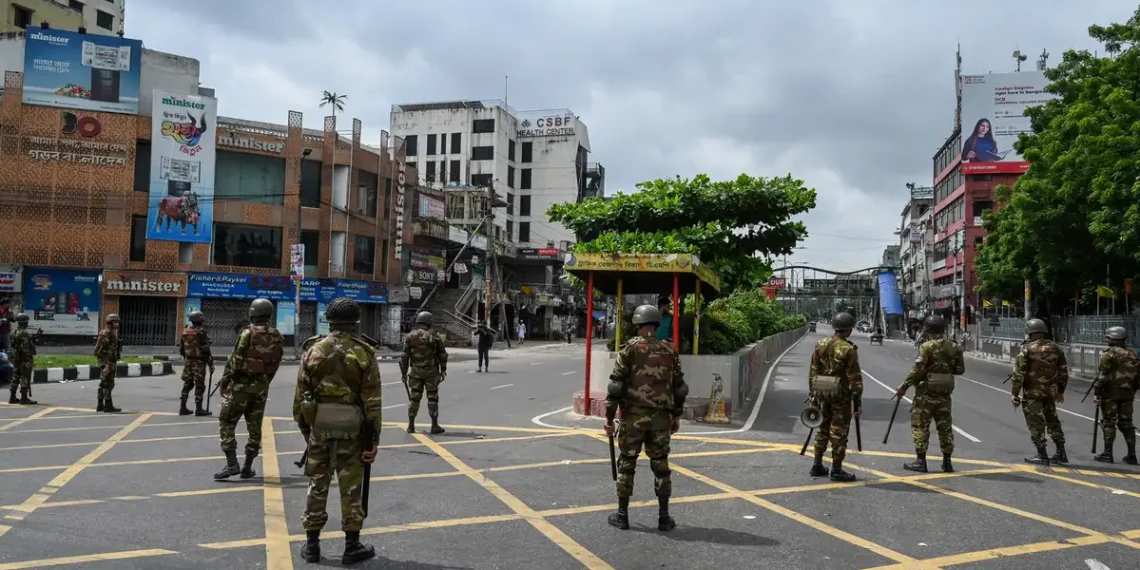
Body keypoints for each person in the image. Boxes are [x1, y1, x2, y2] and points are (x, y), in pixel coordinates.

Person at [294, 297, 382, 565]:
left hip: (319, 428)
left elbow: (300, 401)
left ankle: (312, 547)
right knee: (351, 487)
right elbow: (372, 404)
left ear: (328, 320)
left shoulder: (312, 350)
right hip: (352, 431)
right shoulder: (364, 353)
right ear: (356, 322)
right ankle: (351, 546)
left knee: (317, 485)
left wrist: (308, 432)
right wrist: (372, 442)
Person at [604, 305, 688, 532]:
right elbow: (680, 389)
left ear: (638, 324)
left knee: (627, 464)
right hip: (661, 419)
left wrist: (610, 420)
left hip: (633, 418)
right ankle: (664, 517)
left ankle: (622, 515)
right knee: (661, 465)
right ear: (657, 324)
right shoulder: (669, 350)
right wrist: (676, 415)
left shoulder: (629, 350)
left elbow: (615, 387)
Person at [214, 298, 284, 480]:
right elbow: (275, 364)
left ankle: (232, 464)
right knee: (255, 428)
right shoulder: (277, 336)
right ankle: (247, 466)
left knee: (227, 422)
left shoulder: (247, 333)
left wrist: (224, 382)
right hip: (261, 388)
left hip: (240, 387)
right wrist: (264, 381)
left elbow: (234, 361)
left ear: (252, 313)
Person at [895, 315, 963, 473]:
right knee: (945, 427)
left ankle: (921, 461)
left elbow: (917, 371)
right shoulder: (954, 347)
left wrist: (904, 386)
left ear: (928, 329)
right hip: (944, 393)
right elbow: (960, 369)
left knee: (920, 425)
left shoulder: (926, 347)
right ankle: (947, 461)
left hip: (925, 393)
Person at [807, 312, 862, 482]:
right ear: (849, 330)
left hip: (821, 392)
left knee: (822, 428)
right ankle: (836, 469)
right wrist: (857, 401)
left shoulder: (820, 344)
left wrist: (812, 393)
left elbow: (813, 371)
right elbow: (854, 377)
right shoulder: (849, 349)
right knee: (838, 431)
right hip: (840, 395)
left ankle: (817, 464)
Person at [1011, 318, 1069, 465]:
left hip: (1033, 393)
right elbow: (1063, 372)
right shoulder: (1056, 348)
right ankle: (1061, 452)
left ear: (1030, 332)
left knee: (1036, 422)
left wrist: (1015, 393)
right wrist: (1060, 390)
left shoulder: (1027, 349)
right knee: (1053, 421)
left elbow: (1019, 374)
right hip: (1050, 392)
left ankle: (1042, 454)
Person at [1093, 326, 1138, 465]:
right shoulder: (1133, 353)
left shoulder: (1109, 354)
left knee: (1109, 422)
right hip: (1128, 393)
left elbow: (1103, 375)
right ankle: (1131, 455)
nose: (1106, 339)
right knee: (1127, 423)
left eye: (1108, 337)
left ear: (1113, 338)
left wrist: (1097, 392)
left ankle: (1108, 453)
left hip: (1111, 394)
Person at [400, 311, 448, 434]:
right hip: (431, 372)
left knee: (414, 398)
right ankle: (434, 425)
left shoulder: (410, 336)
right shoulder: (434, 336)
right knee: (432, 398)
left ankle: (411, 425)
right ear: (429, 322)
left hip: (415, 372)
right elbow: (443, 355)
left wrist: (404, 373)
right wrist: (443, 370)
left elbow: (404, 357)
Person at [178, 310, 215, 417]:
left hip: (188, 361)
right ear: (200, 320)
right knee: (200, 385)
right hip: (199, 362)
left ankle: (182, 407)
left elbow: (181, 349)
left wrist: (187, 358)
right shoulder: (201, 332)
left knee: (187, 384)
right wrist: (210, 364)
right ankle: (199, 409)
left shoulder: (185, 332)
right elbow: (205, 349)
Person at [93, 314, 122, 413]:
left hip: (109, 362)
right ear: (110, 323)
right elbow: (102, 351)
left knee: (104, 384)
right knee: (108, 384)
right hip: (107, 362)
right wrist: (107, 365)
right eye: (115, 322)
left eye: (117, 322)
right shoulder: (107, 334)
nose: (117, 324)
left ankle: (100, 405)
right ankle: (108, 406)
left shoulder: (110, 333)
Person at [7, 314, 36, 405]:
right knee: (25, 376)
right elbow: (26, 348)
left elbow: (15, 345)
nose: (27, 323)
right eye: (26, 321)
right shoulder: (24, 333)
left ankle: (12, 397)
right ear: (24, 322)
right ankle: (24, 398)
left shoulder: (13, 332)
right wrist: (28, 360)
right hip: (24, 358)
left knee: (15, 376)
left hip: (16, 358)